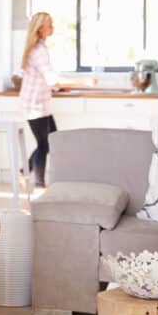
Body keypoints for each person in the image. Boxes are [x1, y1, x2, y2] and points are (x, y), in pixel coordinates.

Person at [19, 12, 94, 187]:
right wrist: (84, 81)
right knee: (44, 144)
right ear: (41, 28)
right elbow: (52, 79)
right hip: (34, 105)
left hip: (40, 103)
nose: (53, 27)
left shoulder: (40, 47)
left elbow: (47, 79)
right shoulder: (38, 51)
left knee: (51, 141)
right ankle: (39, 185)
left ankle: (23, 171)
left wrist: (59, 85)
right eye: (50, 24)